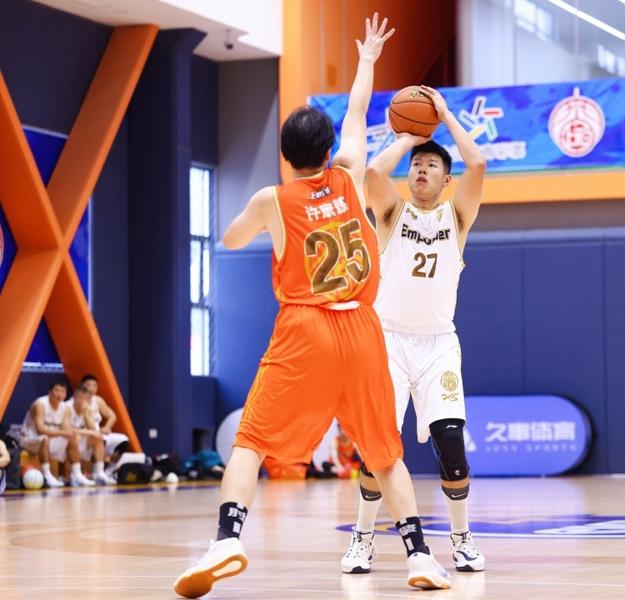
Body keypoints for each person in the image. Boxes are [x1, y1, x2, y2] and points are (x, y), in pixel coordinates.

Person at [173, 14, 451, 598]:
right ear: (327, 151)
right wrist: (367, 60)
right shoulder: (349, 177)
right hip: (363, 329)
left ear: (284, 154)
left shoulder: (271, 199)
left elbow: (229, 240)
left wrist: (258, 221)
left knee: (250, 441)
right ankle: (421, 556)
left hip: (306, 327)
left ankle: (227, 538)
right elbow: (357, 113)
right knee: (385, 453)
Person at [341, 87, 487, 575]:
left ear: (446, 179)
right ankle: (363, 537)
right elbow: (373, 173)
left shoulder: (457, 216)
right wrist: (408, 135)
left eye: (431, 165)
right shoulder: (392, 213)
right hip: (387, 342)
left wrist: (443, 116)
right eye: (417, 165)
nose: (421, 169)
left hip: (438, 344)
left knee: (452, 445)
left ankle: (461, 538)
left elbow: (479, 164)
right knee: (378, 447)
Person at [20, 381, 94, 488]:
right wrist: (64, 432)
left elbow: (67, 429)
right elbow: (40, 430)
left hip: (49, 440)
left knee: (72, 438)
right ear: (50, 392)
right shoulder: (40, 404)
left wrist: (71, 433)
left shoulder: (65, 408)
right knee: (44, 438)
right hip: (29, 440)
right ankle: (47, 475)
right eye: (57, 390)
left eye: (63, 391)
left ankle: (77, 474)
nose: (59, 394)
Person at [69, 385, 117, 485]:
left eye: (85, 399)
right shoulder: (67, 408)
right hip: (65, 443)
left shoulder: (88, 409)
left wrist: (86, 415)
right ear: (74, 397)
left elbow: (93, 429)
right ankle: (76, 475)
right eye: (80, 398)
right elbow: (68, 430)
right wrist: (89, 432)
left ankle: (99, 472)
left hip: (79, 442)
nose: (82, 401)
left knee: (98, 437)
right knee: (74, 437)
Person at [75, 374, 130, 460]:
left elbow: (112, 415)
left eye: (94, 385)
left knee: (123, 439)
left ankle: (111, 466)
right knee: (97, 439)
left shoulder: (98, 400)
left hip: (99, 432)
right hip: (85, 435)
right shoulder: (75, 403)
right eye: (89, 385)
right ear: (82, 386)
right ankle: (99, 464)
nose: (92, 388)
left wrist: (107, 427)